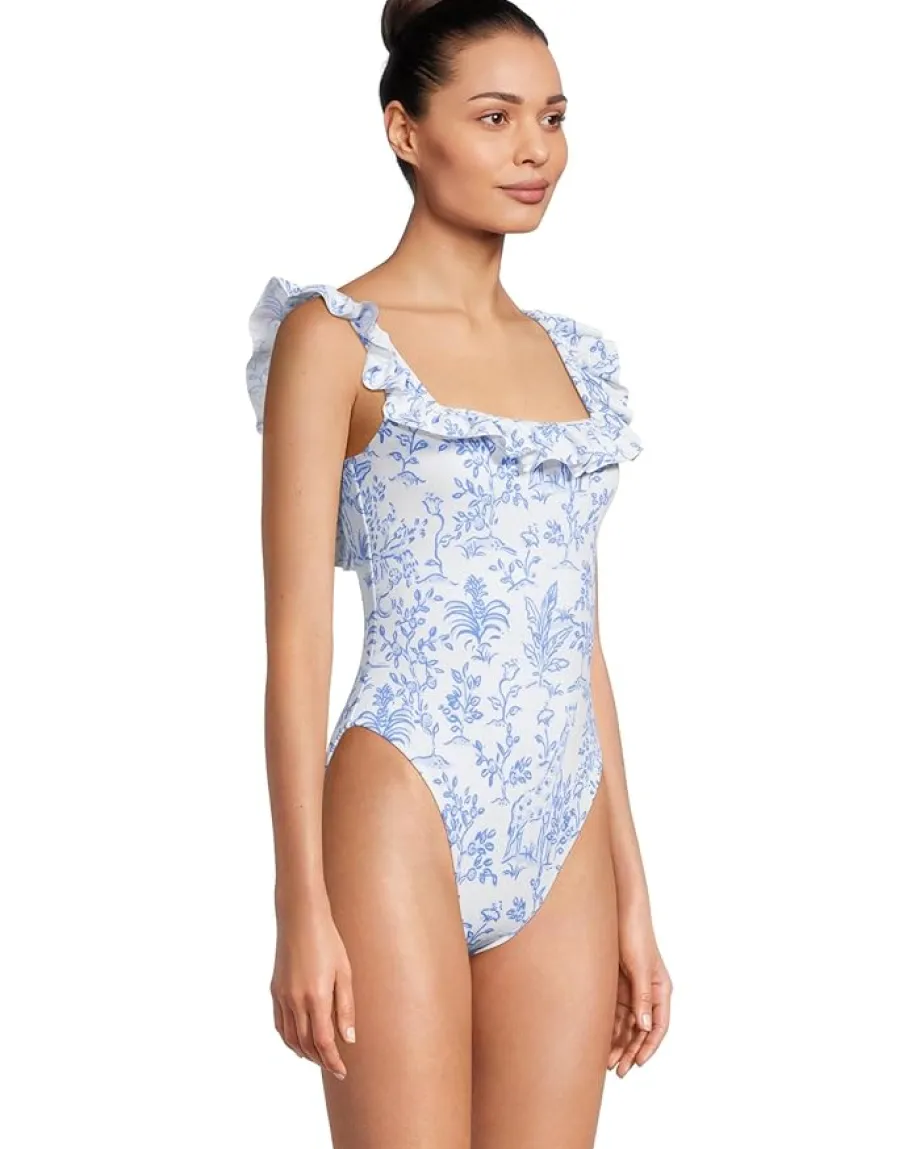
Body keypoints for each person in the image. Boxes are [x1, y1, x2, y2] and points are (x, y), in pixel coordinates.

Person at [244, 0, 673, 1144]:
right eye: (494, 118)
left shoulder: (571, 360)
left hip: (564, 822)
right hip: (401, 802)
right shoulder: (332, 340)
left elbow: (576, 640)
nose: (534, 151)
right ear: (404, 129)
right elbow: (295, 647)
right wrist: (298, 902)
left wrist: (633, 893)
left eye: (551, 118)